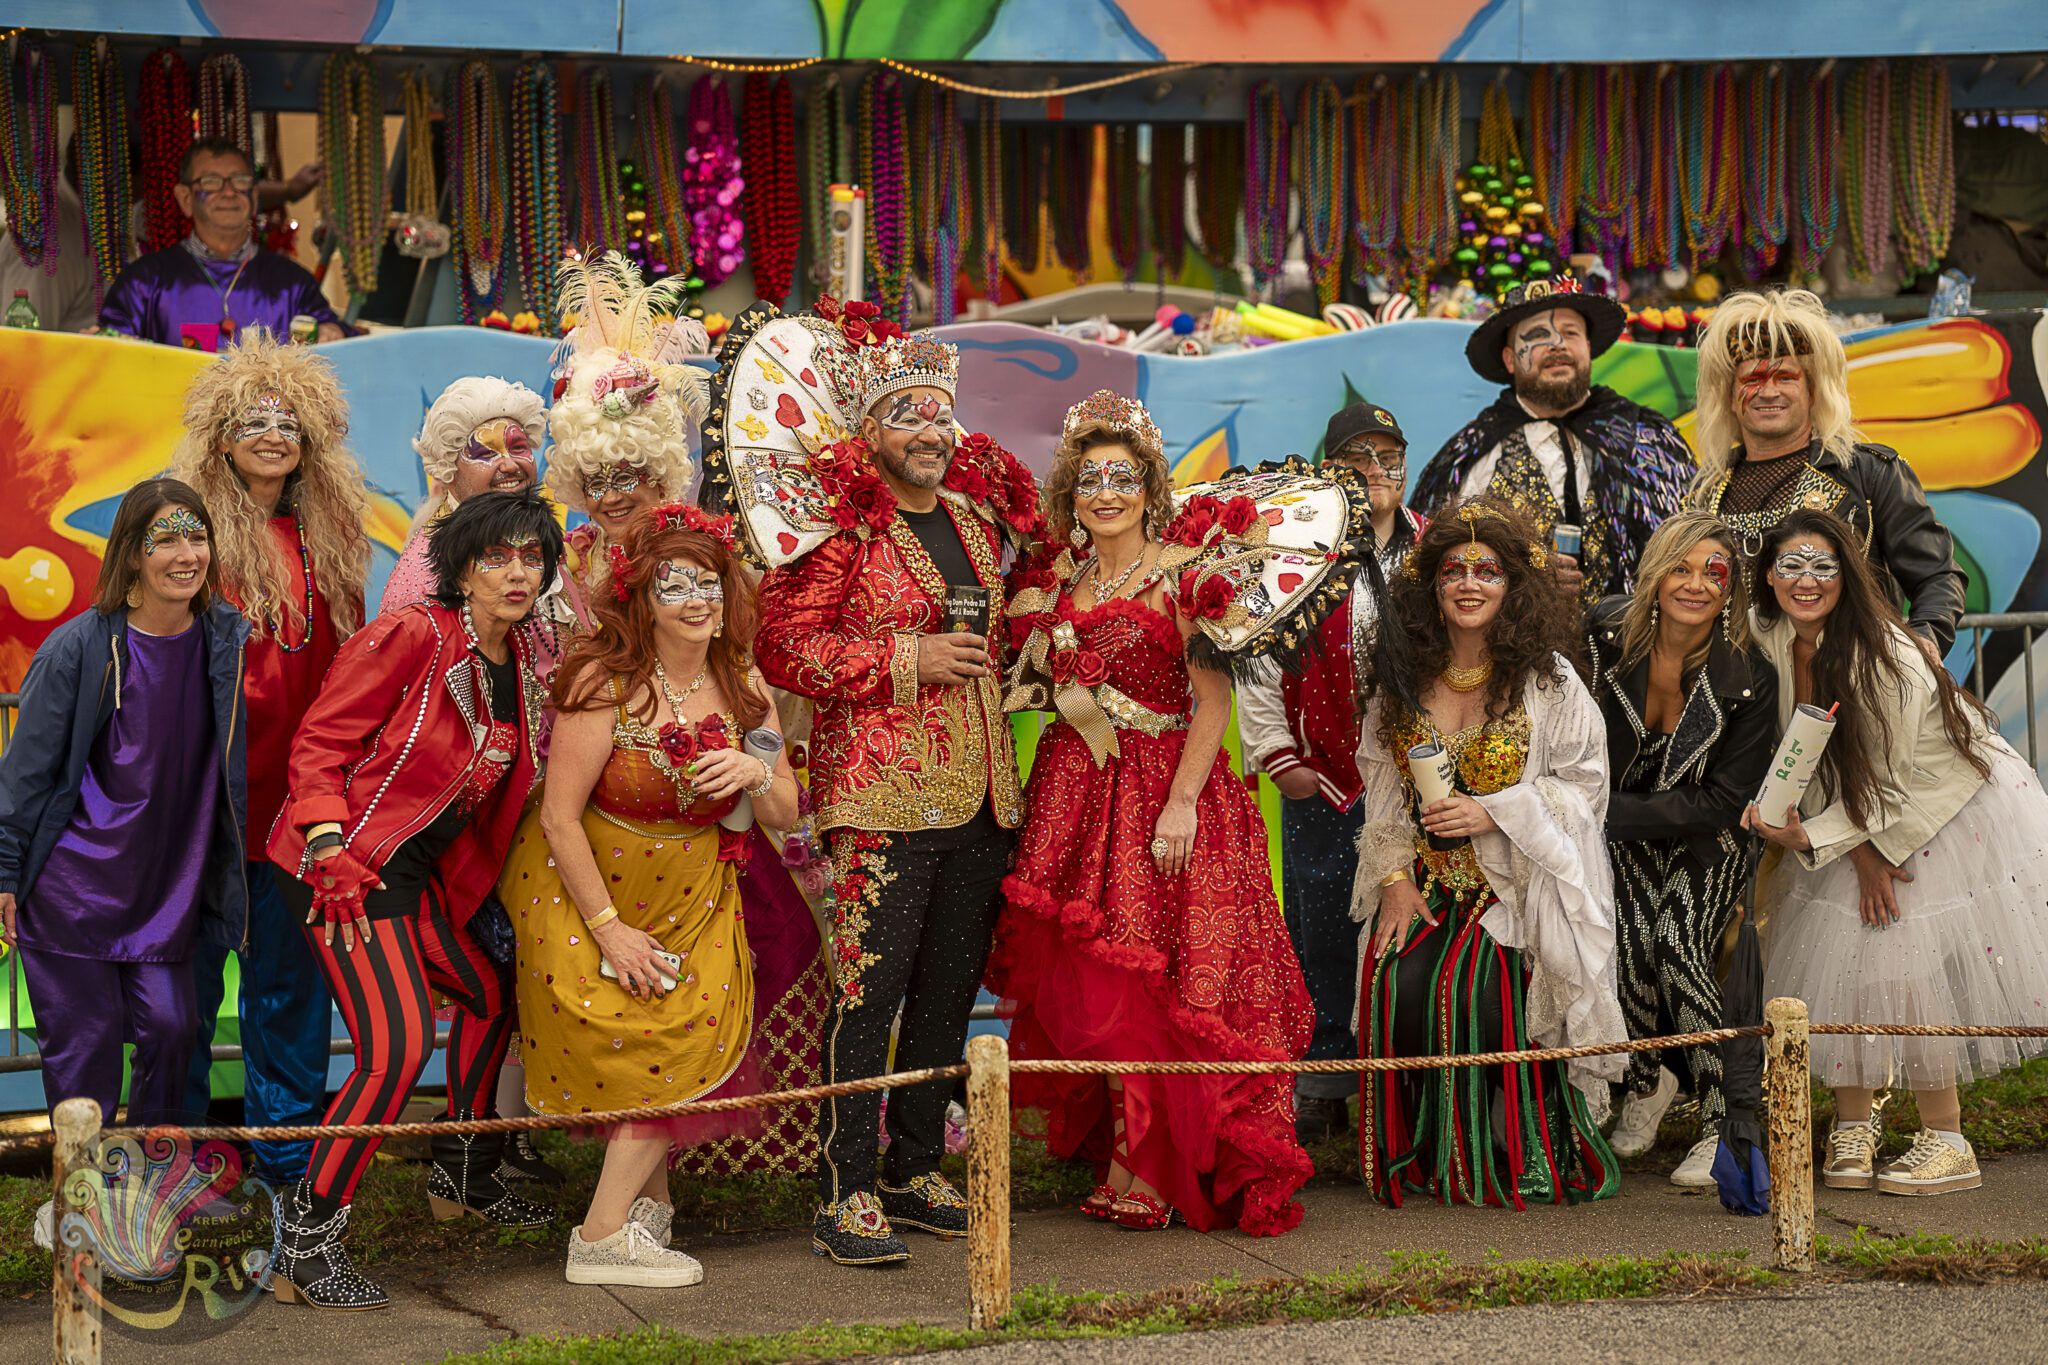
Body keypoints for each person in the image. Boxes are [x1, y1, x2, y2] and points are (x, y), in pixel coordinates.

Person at [989, 391, 1316, 1235]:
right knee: (1097, 974)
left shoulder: (1184, 573)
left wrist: (1180, 805)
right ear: (1071, 490)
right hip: (1077, 787)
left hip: (1168, 789)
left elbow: (1215, 703)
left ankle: (1159, 1161)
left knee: (1161, 978)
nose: (1106, 492)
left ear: (1148, 486)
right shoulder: (1061, 579)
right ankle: (1124, 1149)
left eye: (1122, 476)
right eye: (1090, 477)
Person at [750, 317, 1041, 1265]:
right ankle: (847, 1188)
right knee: (869, 995)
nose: (929, 431)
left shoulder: (968, 517)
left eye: (940, 416)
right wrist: (907, 658)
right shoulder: (843, 526)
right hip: (879, 793)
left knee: (946, 994)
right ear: (871, 429)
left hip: (984, 792)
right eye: (908, 415)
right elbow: (784, 645)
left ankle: (917, 1165)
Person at [264, 491, 562, 1310]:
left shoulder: (527, 656)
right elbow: (322, 740)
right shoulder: (412, 634)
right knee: (391, 1051)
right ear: (463, 567)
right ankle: (306, 1245)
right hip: (343, 864)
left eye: (531, 557)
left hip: (417, 875)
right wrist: (326, 841)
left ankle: (461, 1173)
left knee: (485, 991)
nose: (515, 571)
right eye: (496, 555)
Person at [511, 503, 800, 1287]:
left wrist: (755, 769)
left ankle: (638, 1216)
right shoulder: (601, 680)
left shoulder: (743, 684)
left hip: (697, 890)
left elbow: (785, 807)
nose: (696, 599)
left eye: (709, 581)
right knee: (637, 1047)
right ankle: (602, 1236)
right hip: (586, 888)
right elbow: (560, 818)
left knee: (683, 1034)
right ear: (642, 597)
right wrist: (609, 932)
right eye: (675, 585)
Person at [1743, 510, 2048, 1196]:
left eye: (1824, 565)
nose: (1806, 579)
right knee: (1843, 952)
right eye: (1791, 564)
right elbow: (1814, 752)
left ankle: (1947, 1137)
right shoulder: (1773, 635)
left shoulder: (1886, 655)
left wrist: (1822, 839)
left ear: (1848, 577)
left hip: (1939, 805)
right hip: (1855, 809)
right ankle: (1854, 1122)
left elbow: (1889, 782)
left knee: (1900, 960)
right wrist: (1847, 850)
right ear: (1768, 574)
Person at [1352, 499, 1624, 1208]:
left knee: (1467, 988)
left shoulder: (1551, 681)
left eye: (1487, 570)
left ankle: (1508, 1149)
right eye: (1453, 570)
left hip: (1518, 890)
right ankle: (1430, 1152)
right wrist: (1392, 882)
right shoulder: (1401, 681)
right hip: (1429, 882)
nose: (1469, 583)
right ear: (1431, 587)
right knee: (1390, 978)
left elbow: (1584, 791)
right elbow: (1381, 796)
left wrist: (1495, 812)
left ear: (1514, 586)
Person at [0, 481, 250, 1247]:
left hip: (165, 893)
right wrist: (6, 875)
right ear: (133, 555)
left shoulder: (228, 640)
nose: (185, 554)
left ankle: (145, 1189)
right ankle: (80, 1205)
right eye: (165, 540)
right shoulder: (80, 646)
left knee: (175, 1030)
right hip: (73, 891)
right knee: (88, 1058)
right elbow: (27, 771)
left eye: (196, 537)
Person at [170, 333, 371, 1187]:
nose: (270, 432)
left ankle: (288, 1177)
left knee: (289, 998)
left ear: (311, 441)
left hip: (297, 813)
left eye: (287, 421)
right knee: (176, 1004)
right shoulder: (186, 540)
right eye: (251, 418)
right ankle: (172, 1172)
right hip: (199, 811)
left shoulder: (330, 543)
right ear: (219, 435)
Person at [1238, 400, 1425, 1144]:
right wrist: (1278, 756)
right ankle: (1322, 1080)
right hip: (1324, 777)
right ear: (1330, 470)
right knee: (1317, 925)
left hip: (1416, 782)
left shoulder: (1437, 548)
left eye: (1389, 457)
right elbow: (1254, 653)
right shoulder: (1293, 553)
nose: (1376, 473)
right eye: (1358, 460)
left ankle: (1406, 1085)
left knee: (1406, 922)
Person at [1584, 511, 1777, 1186]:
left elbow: (1724, 801)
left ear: (1732, 590)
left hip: (1710, 834)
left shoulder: (1751, 674)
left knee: (1673, 935)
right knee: (1627, 935)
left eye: (1714, 572)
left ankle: (1722, 1119)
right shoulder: (1606, 639)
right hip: (1625, 830)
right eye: (1681, 566)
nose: (1696, 583)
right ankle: (1648, 1082)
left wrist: (1603, 815)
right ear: (1656, 572)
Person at [1687, 288, 1968, 661]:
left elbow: (1938, 575)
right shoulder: (1706, 493)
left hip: (1847, 693)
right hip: (1740, 701)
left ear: (1813, 391)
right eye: (1752, 379)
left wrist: (1922, 644)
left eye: (1785, 377)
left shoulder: (1869, 473)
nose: (1768, 391)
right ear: (1729, 396)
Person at [1412, 274, 1694, 607]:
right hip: (1510, 651)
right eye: (1537, 335)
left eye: (1571, 333)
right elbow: (1435, 568)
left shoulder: (1646, 440)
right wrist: (1521, 581)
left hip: (1630, 650)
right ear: (1509, 358)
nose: (1558, 344)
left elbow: (1691, 548)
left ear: (1588, 347)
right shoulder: (1472, 455)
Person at [98, 137, 344, 348]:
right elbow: (113, 351)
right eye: (211, 182)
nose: (228, 193)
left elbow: (336, 338)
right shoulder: (144, 283)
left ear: (254, 196)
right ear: (185, 198)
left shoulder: (292, 283)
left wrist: (332, 332)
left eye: (240, 181)